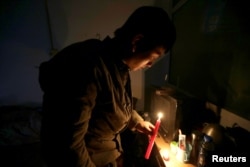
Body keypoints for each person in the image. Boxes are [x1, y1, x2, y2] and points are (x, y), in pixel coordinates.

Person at [38, 6, 176, 167]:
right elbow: (68, 146)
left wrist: (137, 122)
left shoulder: (118, 66)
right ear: (136, 41)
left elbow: (110, 105)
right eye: (153, 57)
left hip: (111, 156)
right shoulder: (87, 65)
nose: (150, 64)